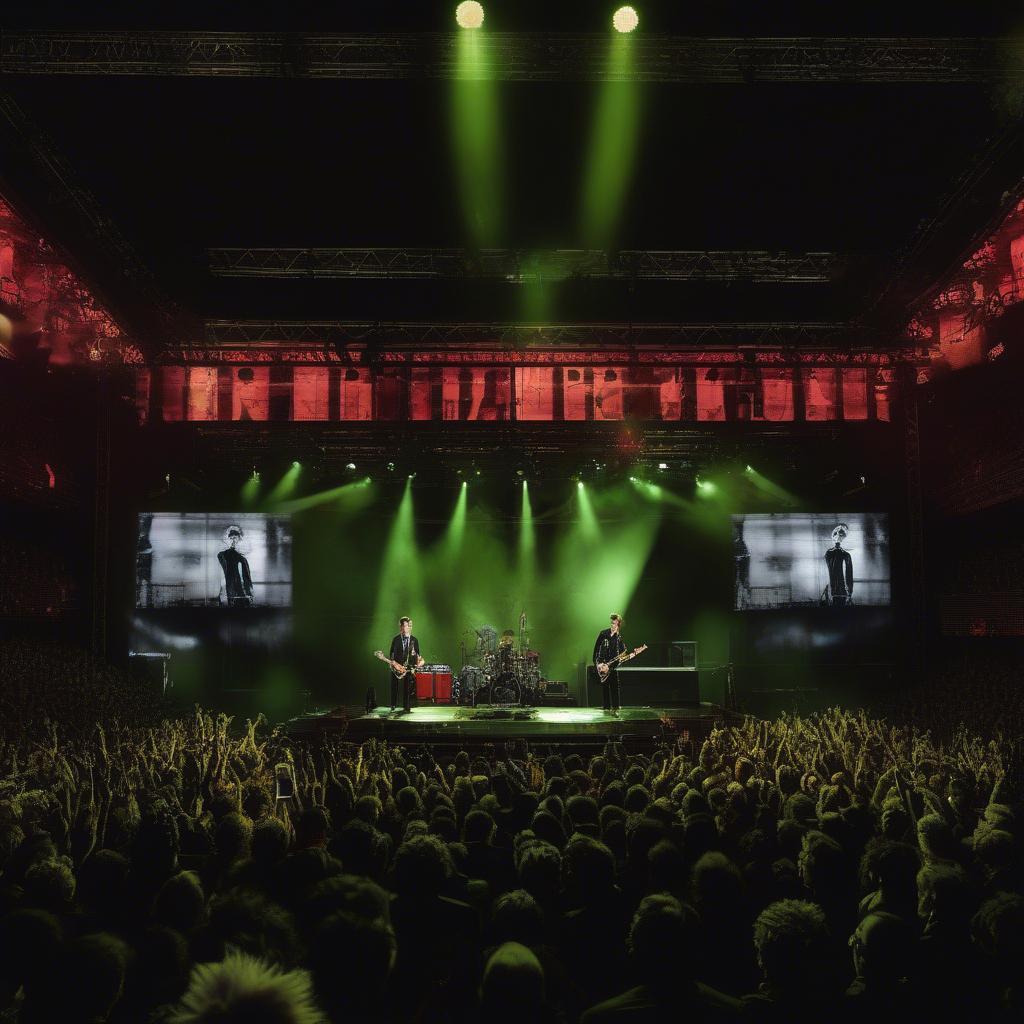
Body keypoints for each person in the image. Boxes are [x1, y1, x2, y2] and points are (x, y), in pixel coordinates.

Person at [388, 616, 424, 713]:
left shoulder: (414, 640)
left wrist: (416, 665)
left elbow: (418, 656)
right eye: (402, 626)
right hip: (396, 666)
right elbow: (391, 653)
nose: (403, 628)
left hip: (408, 667)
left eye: (406, 626)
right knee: (394, 685)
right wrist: (393, 664)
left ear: (410, 627)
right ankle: (393, 705)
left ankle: (406, 706)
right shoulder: (395, 639)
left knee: (407, 686)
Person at [594, 614, 627, 715]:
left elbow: (623, 652)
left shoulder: (618, 638)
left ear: (618, 625)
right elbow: (596, 649)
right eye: (612, 623)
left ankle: (616, 707)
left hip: (613, 666)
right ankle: (606, 707)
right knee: (605, 686)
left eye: (615, 624)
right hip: (603, 664)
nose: (612, 625)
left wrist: (620, 660)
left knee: (614, 686)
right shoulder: (603, 634)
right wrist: (597, 664)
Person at [217, 526, 254, 606]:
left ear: (239, 538)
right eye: (231, 538)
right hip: (231, 585)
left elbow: (246, 575)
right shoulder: (224, 554)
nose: (233, 540)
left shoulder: (242, 556)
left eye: (235, 538)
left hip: (240, 585)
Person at [823, 523, 854, 607]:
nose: (838, 537)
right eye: (837, 534)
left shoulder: (830, 554)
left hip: (837, 592)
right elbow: (849, 575)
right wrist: (849, 592)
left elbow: (848, 574)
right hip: (838, 592)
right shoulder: (844, 555)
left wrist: (849, 592)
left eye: (840, 534)